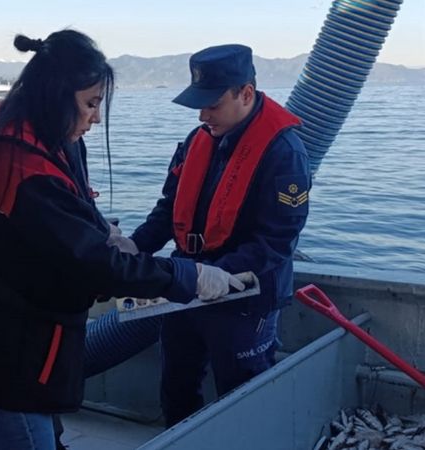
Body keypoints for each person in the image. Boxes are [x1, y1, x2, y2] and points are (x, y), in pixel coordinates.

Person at [0, 30, 244, 450]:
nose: (96, 117)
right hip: (9, 365)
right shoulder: (29, 170)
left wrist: (101, 228)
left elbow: (53, 224)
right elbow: (94, 264)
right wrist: (190, 276)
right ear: (55, 95)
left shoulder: (20, 136)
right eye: (91, 103)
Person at [129, 44, 311, 427]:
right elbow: (167, 209)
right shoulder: (196, 140)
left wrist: (216, 276)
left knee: (243, 396)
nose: (202, 114)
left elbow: (277, 240)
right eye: (200, 103)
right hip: (186, 286)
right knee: (177, 388)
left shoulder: (284, 151)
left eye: (212, 104)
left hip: (244, 298)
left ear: (245, 94)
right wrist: (133, 248)